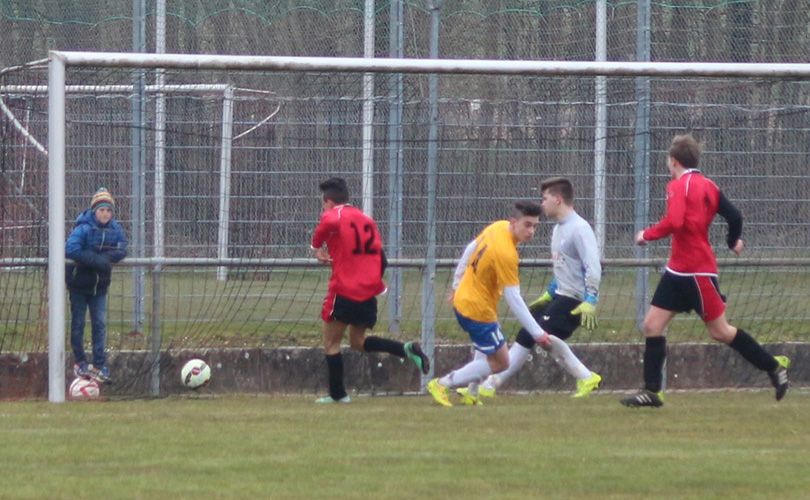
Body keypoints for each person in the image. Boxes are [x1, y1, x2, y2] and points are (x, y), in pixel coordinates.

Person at [621, 134, 790, 408]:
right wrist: (732, 241)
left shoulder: (678, 185)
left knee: (720, 331)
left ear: (673, 161)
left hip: (697, 273)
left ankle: (773, 366)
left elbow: (674, 221)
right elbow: (734, 216)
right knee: (652, 324)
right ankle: (652, 391)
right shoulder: (709, 185)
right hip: (678, 271)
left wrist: (646, 235)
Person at [428, 201, 588, 407]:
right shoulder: (507, 254)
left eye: (535, 226)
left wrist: (456, 284)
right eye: (527, 225)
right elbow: (514, 299)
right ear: (514, 222)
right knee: (501, 362)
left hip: (470, 302)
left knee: (485, 351)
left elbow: (470, 249)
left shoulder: (498, 227)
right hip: (477, 311)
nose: (531, 231)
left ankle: (471, 394)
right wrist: (538, 333)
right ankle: (442, 384)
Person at [459, 177, 603, 400]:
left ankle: (586, 376)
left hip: (575, 299)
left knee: (541, 335)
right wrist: (550, 293)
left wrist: (591, 298)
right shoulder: (559, 229)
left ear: (558, 199)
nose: (542, 204)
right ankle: (490, 385)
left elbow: (592, 266)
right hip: (561, 295)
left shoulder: (580, 229)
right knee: (527, 333)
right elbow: (564, 267)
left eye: (545, 198)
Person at [311, 177, 429, 403]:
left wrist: (316, 247)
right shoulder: (366, 220)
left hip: (344, 290)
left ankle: (338, 395)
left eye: (323, 205)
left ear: (329, 202)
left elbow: (327, 222)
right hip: (368, 293)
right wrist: (369, 279)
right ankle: (406, 349)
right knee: (358, 342)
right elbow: (381, 258)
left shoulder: (334, 215)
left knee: (331, 343)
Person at [66, 187, 127, 384]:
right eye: (101, 210)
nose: (105, 214)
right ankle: (79, 361)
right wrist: (95, 260)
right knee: (78, 323)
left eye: (108, 210)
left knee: (99, 324)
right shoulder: (83, 228)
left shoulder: (115, 229)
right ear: (94, 211)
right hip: (79, 285)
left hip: (100, 286)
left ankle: (100, 364)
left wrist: (105, 259)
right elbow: (71, 249)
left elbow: (122, 248)